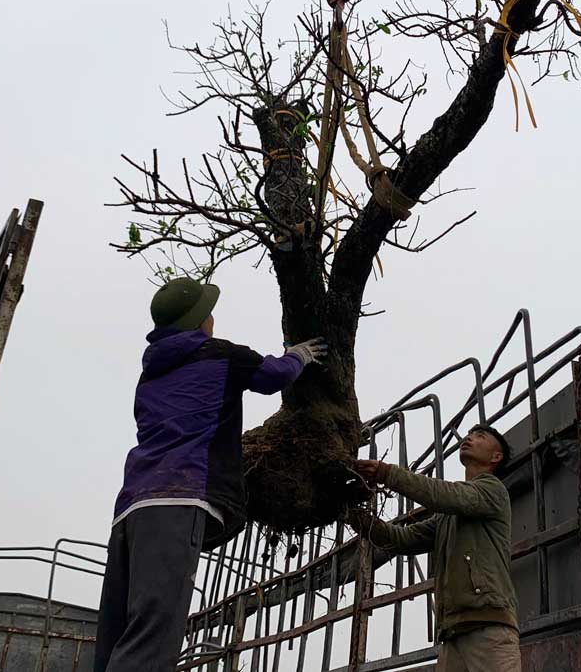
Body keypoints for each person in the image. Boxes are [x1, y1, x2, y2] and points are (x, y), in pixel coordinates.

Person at [94, 277, 327, 672]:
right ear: (200, 321)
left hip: (131, 508)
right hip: (179, 498)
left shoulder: (149, 375)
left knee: (115, 635)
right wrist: (298, 356)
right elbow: (272, 376)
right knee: (154, 634)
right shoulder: (219, 354)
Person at [349, 425, 520, 672]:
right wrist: (353, 516)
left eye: (480, 436)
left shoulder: (493, 491)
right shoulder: (447, 516)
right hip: (452, 635)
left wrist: (387, 473)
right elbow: (400, 538)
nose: (469, 438)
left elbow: (443, 495)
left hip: (489, 628)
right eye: (469, 434)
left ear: (496, 457)